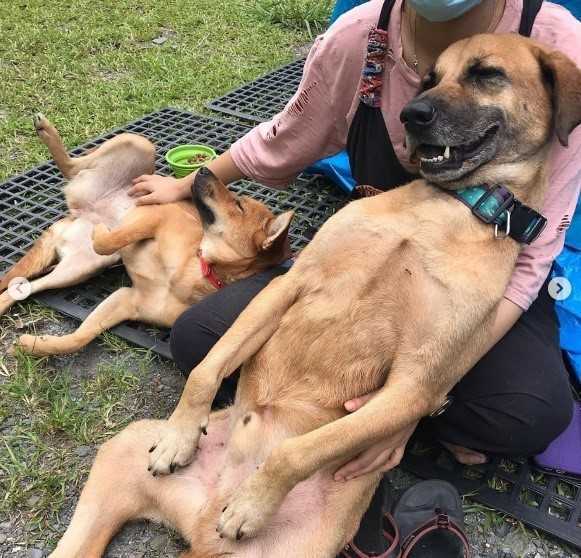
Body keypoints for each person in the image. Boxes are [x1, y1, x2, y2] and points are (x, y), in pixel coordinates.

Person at [130, 0, 579, 498]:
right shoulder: (361, 33)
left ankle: (374, 415)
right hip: (376, 249)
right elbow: (286, 135)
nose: (421, 107)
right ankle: (355, 413)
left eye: (485, 76)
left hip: (488, 272)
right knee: (197, 335)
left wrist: (413, 403)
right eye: (431, 84)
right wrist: (190, 182)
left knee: (530, 412)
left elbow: (534, 254)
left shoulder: (557, 45)